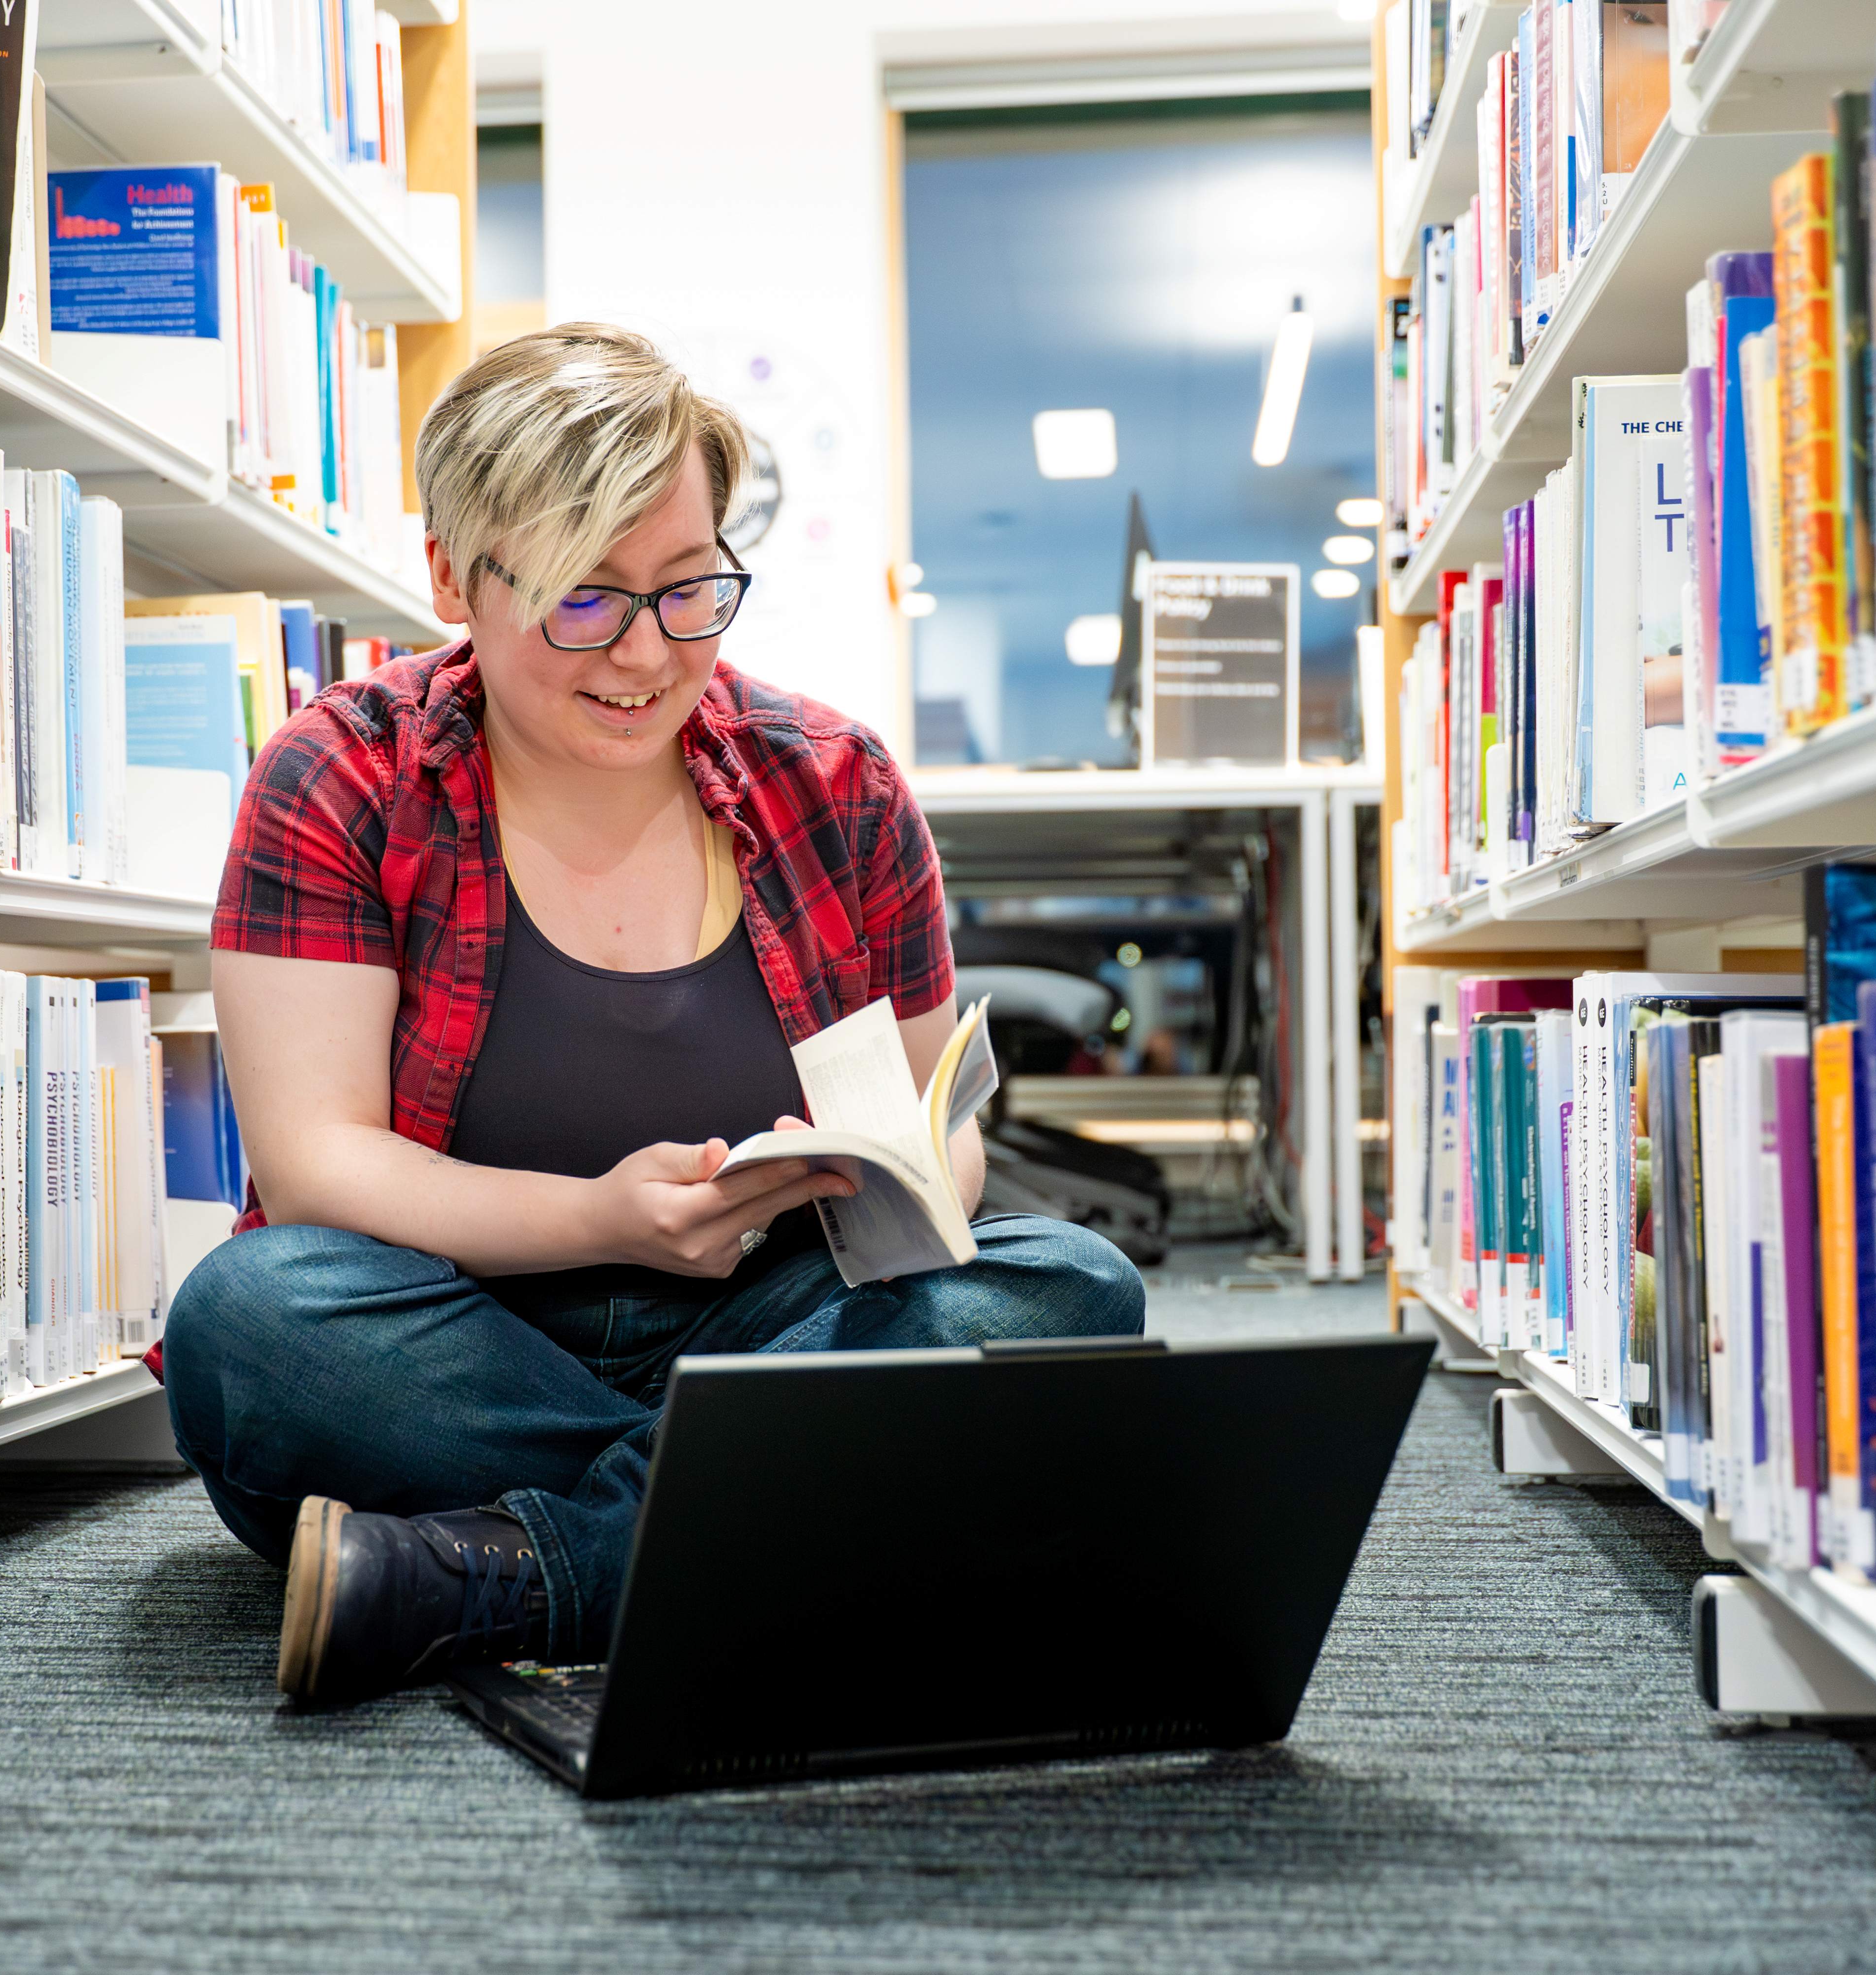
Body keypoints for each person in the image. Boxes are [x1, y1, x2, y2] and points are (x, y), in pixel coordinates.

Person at [161, 323, 1145, 1708]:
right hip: (461, 1329)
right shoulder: (341, 775)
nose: (644, 652)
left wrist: (892, 1185)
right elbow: (316, 1166)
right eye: (583, 599)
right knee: (250, 1322)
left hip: (775, 1313)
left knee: (1070, 1286)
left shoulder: (835, 783)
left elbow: (944, 1131)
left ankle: (504, 1570)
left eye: (691, 592)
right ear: (453, 575)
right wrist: (604, 1222)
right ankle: (803, 1505)